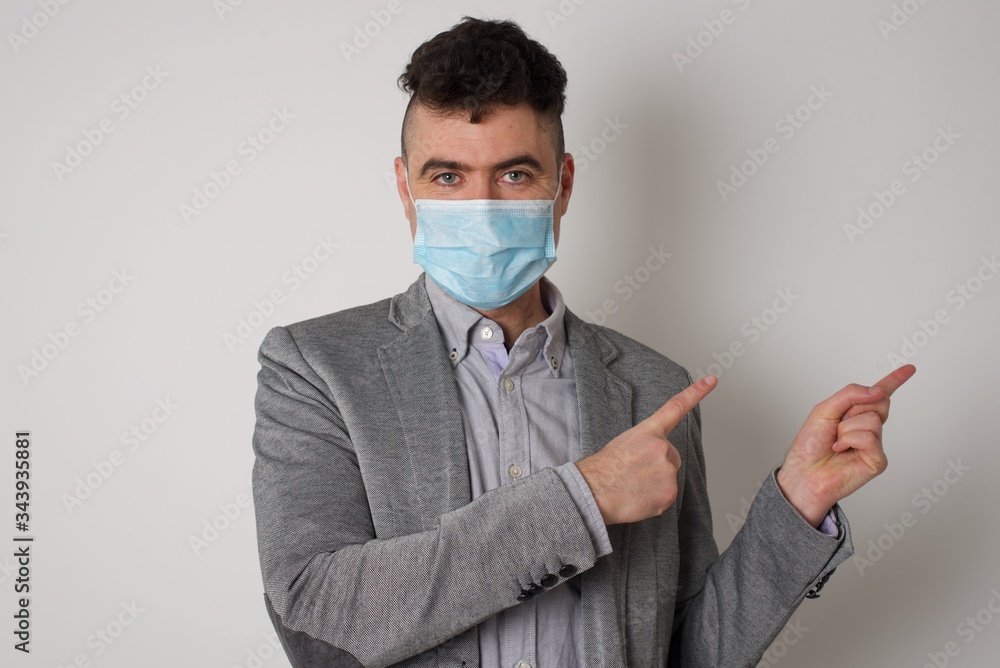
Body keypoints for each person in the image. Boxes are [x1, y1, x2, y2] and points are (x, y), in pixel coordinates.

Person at [251, 16, 915, 668]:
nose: (483, 210)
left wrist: (795, 506)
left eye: (514, 175)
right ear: (406, 189)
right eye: (448, 177)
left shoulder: (655, 389)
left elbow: (691, 651)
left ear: (562, 184)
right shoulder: (315, 368)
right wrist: (583, 500)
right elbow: (316, 610)